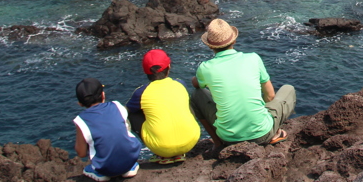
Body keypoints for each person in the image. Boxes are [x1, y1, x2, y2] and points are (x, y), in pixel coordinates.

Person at [190, 18, 296, 150]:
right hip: (262, 135)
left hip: (228, 138)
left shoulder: (205, 68)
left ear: (210, 45)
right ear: (234, 40)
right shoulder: (253, 58)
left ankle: (217, 143)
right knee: (288, 89)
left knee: (196, 95)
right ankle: (275, 132)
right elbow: (270, 95)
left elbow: (197, 86)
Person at [126, 49, 201, 164]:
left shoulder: (140, 92)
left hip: (162, 148)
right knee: (185, 103)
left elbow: (125, 111)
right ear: (169, 67)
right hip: (190, 141)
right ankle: (179, 153)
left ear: (146, 71)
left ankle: (161, 155)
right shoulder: (180, 83)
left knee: (133, 112)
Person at [73, 77, 141, 182]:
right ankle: (129, 167)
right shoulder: (117, 106)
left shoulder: (80, 120)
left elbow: (81, 153)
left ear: (80, 103)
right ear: (103, 95)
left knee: (88, 167)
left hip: (106, 169)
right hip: (130, 160)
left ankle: (100, 173)